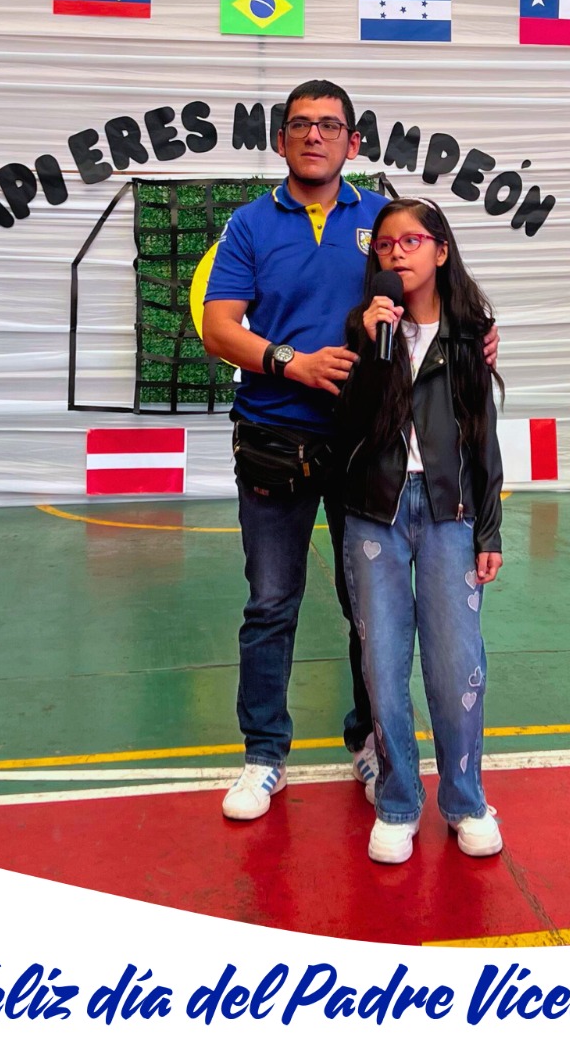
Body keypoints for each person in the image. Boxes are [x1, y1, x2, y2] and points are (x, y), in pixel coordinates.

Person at [201, 81, 499, 821]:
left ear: (353, 142)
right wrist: (291, 363)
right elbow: (218, 326)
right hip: (276, 437)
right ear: (281, 140)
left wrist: (476, 334)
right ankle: (264, 755)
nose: (314, 136)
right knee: (271, 602)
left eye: (329, 125)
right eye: (300, 124)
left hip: (372, 447)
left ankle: (372, 744)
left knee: (368, 611)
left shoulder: (382, 219)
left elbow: (439, 295)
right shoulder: (248, 224)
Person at [336, 197, 505, 864]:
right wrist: (373, 346)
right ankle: (398, 801)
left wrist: (489, 529)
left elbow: (482, 438)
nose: (397, 253)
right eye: (385, 245)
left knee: (457, 662)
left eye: (411, 241)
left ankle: (466, 800)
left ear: (440, 250)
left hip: (448, 512)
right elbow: (349, 426)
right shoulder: (363, 327)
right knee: (382, 665)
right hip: (374, 512)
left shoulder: (469, 333)